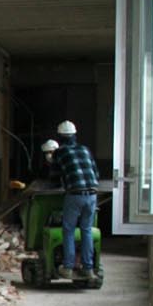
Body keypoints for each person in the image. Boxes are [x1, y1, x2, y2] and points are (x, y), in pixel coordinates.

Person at [51, 120, 98, 280]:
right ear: (75, 135)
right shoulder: (85, 149)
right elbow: (95, 173)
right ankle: (88, 269)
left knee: (69, 230)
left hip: (75, 194)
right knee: (86, 230)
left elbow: (53, 176)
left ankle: (68, 267)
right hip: (92, 194)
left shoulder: (60, 152)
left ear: (60, 137)